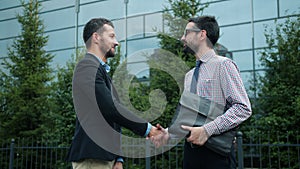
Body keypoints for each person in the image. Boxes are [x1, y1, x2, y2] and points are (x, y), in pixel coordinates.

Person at [152, 16, 252, 169]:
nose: (182, 38)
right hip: (191, 154)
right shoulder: (189, 76)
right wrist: (167, 133)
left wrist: (207, 130)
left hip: (217, 155)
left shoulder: (224, 65)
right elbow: (188, 117)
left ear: (202, 34)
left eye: (186, 33)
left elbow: (243, 108)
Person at [66, 18, 161, 169]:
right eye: (111, 36)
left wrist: (118, 158)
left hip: (105, 157)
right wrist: (148, 130)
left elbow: (112, 119)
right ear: (96, 37)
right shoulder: (87, 68)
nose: (116, 42)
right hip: (93, 157)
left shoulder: (100, 71)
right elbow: (110, 108)